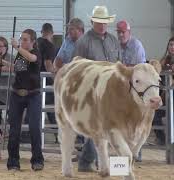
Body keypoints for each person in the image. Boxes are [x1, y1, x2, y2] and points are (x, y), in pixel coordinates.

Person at [72, 5, 121, 172]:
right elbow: (76, 68)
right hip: (92, 92)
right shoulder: (83, 42)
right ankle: (93, 162)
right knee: (99, 128)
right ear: (92, 22)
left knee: (107, 128)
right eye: (99, 22)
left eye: (105, 22)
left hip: (112, 91)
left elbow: (118, 65)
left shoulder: (114, 40)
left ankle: (88, 162)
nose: (102, 25)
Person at [6, 29, 44, 171]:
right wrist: (0, 61)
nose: (22, 41)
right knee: (14, 129)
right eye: (21, 39)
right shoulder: (21, 54)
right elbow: (17, 68)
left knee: (34, 127)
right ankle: (13, 162)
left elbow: (32, 59)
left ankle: (37, 160)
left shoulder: (36, 54)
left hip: (33, 94)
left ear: (33, 41)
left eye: (25, 39)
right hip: (17, 94)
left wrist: (17, 47)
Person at [116, 20, 146, 162]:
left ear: (129, 32)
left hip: (136, 91)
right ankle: (123, 156)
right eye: (119, 32)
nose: (121, 34)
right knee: (121, 122)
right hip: (121, 91)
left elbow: (138, 68)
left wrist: (123, 68)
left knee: (135, 121)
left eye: (123, 32)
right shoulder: (114, 45)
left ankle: (136, 152)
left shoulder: (136, 45)